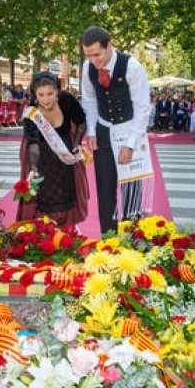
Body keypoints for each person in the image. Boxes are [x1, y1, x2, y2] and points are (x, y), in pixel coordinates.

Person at [80, 26, 153, 235]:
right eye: (89, 55)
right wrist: (92, 130)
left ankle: (132, 241)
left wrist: (130, 145)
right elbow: (90, 100)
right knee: (104, 190)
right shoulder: (88, 68)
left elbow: (142, 109)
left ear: (109, 46)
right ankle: (108, 240)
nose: (94, 60)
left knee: (131, 190)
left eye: (97, 54)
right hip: (103, 131)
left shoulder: (132, 67)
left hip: (129, 130)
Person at [16, 72, 89, 227]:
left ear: (58, 91)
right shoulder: (31, 113)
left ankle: (68, 227)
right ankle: (46, 229)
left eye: (50, 93)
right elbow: (33, 143)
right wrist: (33, 167)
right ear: (35, 94)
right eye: (41, 95)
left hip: (64, 152)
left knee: (67, 191)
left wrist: (77, 143)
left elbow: (81, 121)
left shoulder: (68, 100)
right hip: (42, 157)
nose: (46, 99)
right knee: (45, 195)